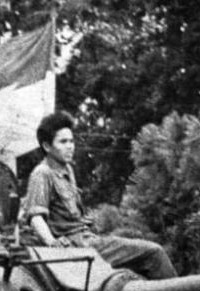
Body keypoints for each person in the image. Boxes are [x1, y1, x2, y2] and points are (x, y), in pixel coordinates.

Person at [19, 110, 177, 280]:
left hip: (88, 239)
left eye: (71, 141)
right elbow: (35, 217)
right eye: (63, 142)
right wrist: (52, 243)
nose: (70, 146)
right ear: (47, 146)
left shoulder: (66, 170)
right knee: (154, 254)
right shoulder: (42, 173)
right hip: (78, 247)